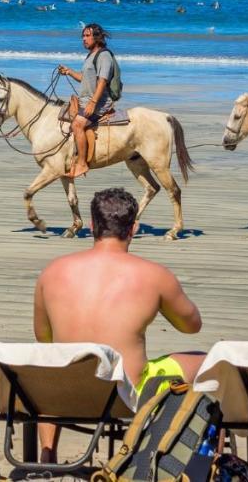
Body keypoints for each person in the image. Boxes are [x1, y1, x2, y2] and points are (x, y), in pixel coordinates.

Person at [33, 187, 203, 463]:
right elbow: (191, 326)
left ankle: (47, 453)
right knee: (207, 361)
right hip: (125, 396)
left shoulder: (53, 271)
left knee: (55, 363)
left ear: (91, 225)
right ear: (133, 228)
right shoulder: (154, 275)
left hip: (62, 394)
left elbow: (43, 336)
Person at [57, 22, 120, 178]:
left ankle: (82, 164)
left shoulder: (104, 55)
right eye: (83, 36)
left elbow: (102, 81)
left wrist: (93, 103)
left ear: (97, 37)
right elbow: (84, 79)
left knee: (77, 124)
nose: (84, 39)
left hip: (99, 104)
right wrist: (69, 72)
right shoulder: (90, 55)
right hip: (85, 101)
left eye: (87, 36)